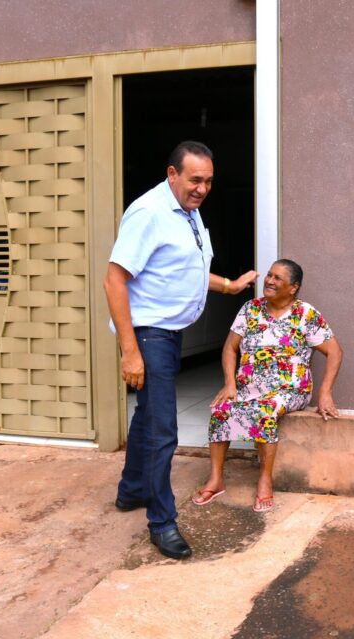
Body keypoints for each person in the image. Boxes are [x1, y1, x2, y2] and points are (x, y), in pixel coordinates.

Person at [103, 140, 257, 560]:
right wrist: (130, 351)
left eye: (208, 181)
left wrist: (228, 285)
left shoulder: (188, 211)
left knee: (147, 417)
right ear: (172, 174)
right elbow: (114, 280)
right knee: (162, 429)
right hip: (149, 333)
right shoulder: (149, 213)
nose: (202, 188)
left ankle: (131, 490)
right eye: (195, 180)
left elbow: (185, 269)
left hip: (170, 332)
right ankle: (162, 522)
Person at [193, 259, 343, 512]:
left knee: (265, 410)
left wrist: (325, 392)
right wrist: (230, 384)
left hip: (290, 389)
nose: (270, 281)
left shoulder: (305, 314)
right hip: (248, 388)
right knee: (221, 409)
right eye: (269, 275)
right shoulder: (250, 309)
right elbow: (230, 348)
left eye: (277, 278)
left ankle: (265, 480)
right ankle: (216, 479)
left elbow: (335, 352)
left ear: (293, 287)